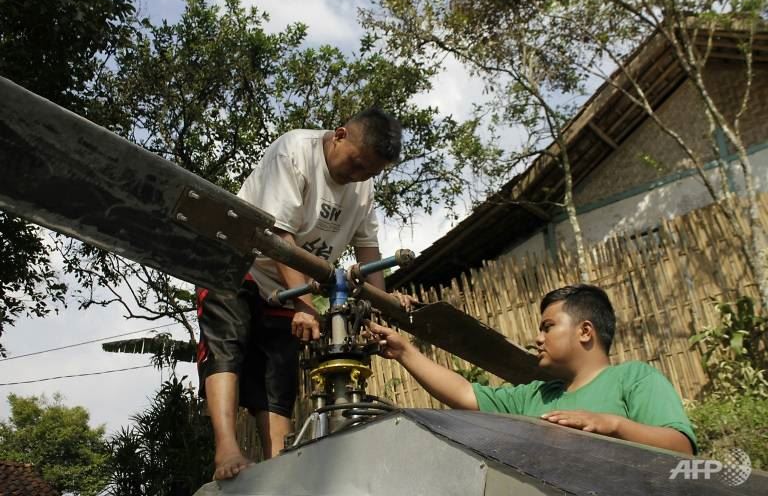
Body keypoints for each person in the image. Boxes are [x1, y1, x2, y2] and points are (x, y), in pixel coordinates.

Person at [197, 107, 413, 480]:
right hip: (236, 263)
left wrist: (383, 307)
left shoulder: (363, 187)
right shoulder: (295, 150)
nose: (359, 175)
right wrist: (305, 304)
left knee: (277, 373)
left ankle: (278, 468)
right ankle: (226, 449)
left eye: (371, 172)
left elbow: (368, 249)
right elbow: (279, 236)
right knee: (227, 347)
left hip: (292, 282)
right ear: (340, 134)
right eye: (357, 164)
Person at [366, 284, 697, 455]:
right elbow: (467, 394)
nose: (536, 338)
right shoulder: (536, 395)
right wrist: (405, 352)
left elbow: (681, 448)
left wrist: (611, 424)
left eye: (548, 327)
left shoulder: (634, 378)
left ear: (585, 331)